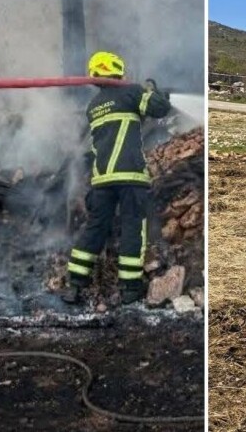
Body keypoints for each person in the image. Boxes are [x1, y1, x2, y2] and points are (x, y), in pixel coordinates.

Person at [62, 51, 170, 305]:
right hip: (130, 175)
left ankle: (75, 285)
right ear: (116, 69)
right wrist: (151, 90)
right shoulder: (130, 92)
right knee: (133, 227)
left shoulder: (93, 106)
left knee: (95, 228)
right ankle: (130, 289)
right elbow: (160, 108)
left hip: (102, 180)